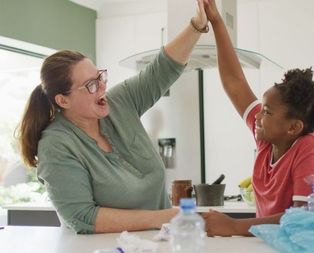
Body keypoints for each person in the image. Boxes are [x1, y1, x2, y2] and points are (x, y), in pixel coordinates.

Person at [17, 0, 209, 234]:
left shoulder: (119, 104)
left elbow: (162, 69)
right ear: (63, 100)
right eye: (90, 85)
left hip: (158, 243)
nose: (101, 87)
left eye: (100, 77)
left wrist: (197, 25)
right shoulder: (56, 145)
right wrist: (165, 217)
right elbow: (82, 217)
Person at [202, 0, 314, 237]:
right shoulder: (268, 139)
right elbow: (235, 83)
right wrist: (217, 21)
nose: (259, 117)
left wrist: (233, 226)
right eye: (262, 109)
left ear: (293, 127)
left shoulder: (310, 149)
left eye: (267, 112)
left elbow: (304, 218)